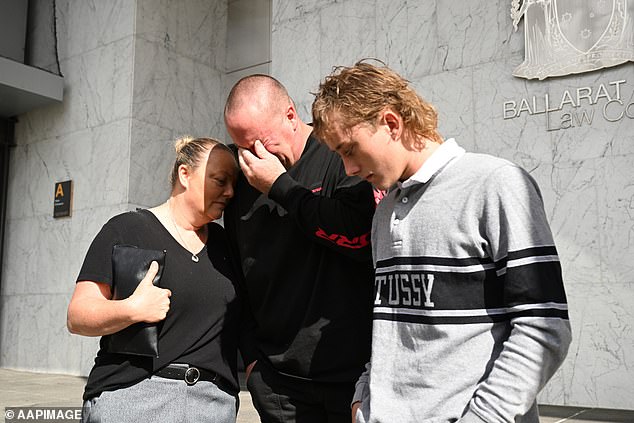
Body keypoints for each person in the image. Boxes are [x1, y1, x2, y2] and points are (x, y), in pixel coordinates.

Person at [311, 62, 572, 423]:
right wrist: (363, 398)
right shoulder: (384, 213)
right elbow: (392, 328)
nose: (348, 169)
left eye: (350, 149)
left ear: (391, 123)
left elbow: (544, 326)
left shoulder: (497, 184)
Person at [223, 74, 376, 423]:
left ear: (291, 115)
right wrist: (253, 363)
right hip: (278, 385)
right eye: (242, 147)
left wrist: (279, 186)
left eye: (260, 142)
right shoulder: (244, 180)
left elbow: (359, 235)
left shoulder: (337, 155)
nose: (253, 156)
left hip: (348, 378)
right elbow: (238, 277)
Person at [67, 137, 241, 422]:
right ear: (185, 174)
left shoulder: (227, 246)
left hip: (212, 404)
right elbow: (78, 315)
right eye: (220, 181)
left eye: (233, 183)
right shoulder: (126, 229)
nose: (230, 192)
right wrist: (131, 309)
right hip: (134, 398)